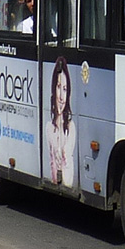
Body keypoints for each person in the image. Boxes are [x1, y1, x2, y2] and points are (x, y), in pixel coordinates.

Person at [48, 56, 76, 187]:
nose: (61, 96)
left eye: (65, 89)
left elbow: (69, 180)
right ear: (53, 89)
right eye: (58, 87)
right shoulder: (49, 128)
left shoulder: (71, 128)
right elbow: (52, 164)